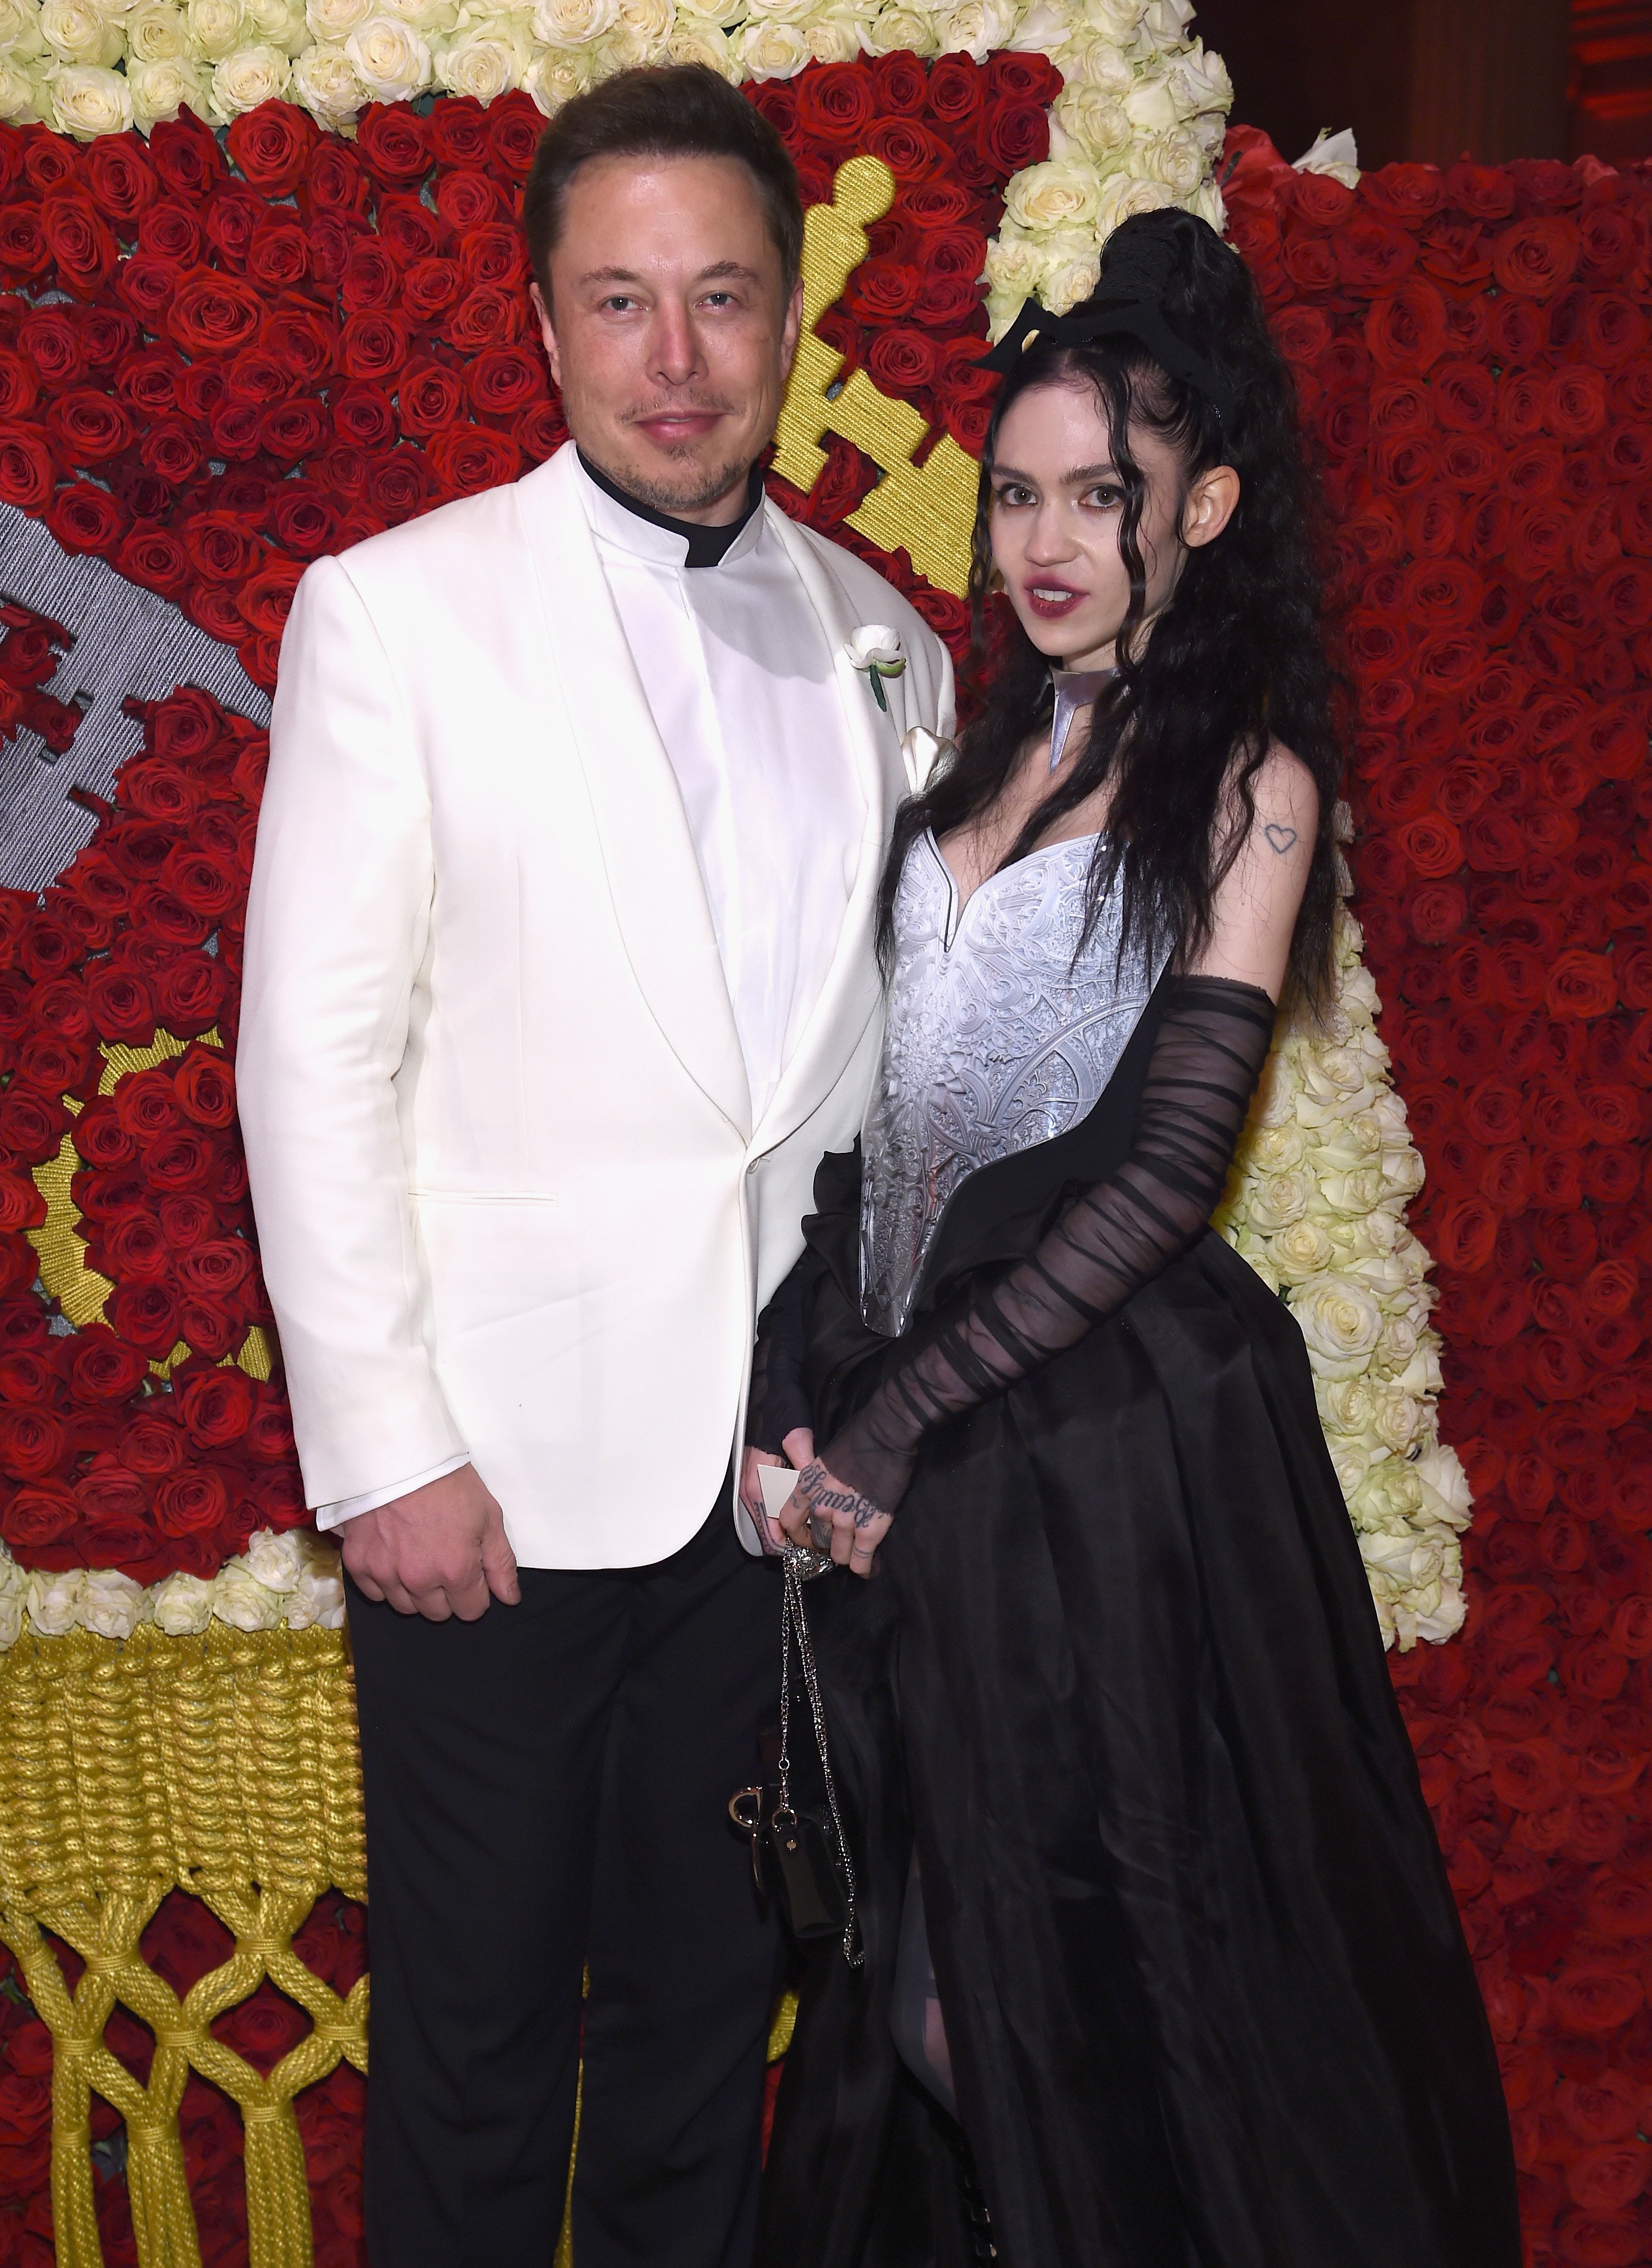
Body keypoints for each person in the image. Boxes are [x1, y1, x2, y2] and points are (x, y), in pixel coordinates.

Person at [746, 209, 1521, 2267]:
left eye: (1100, 493)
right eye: (1015, 493)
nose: (1044, 539)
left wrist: (905, 1414)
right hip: (919, 1459)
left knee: (1091, 2005)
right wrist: (809, 1379)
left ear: (1206, 503)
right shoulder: (971, 754)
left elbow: (1171, 1160)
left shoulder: (1249, 786)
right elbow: (871, 1119)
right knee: (916, 1986)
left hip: (1098, 1473)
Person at [236, 64, 953, 2268]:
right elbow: (310, 1057)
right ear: (543, 328)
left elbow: (887, 1090)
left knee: (688, 2037)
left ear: (787, 317)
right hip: (496, 1489)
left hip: (766, 1496)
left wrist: (866, 1410)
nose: (674, 358)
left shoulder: (889, 643)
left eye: (721, 298)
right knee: (462, 2049)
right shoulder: (398, 612)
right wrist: (384, 1451)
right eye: (620, 302)